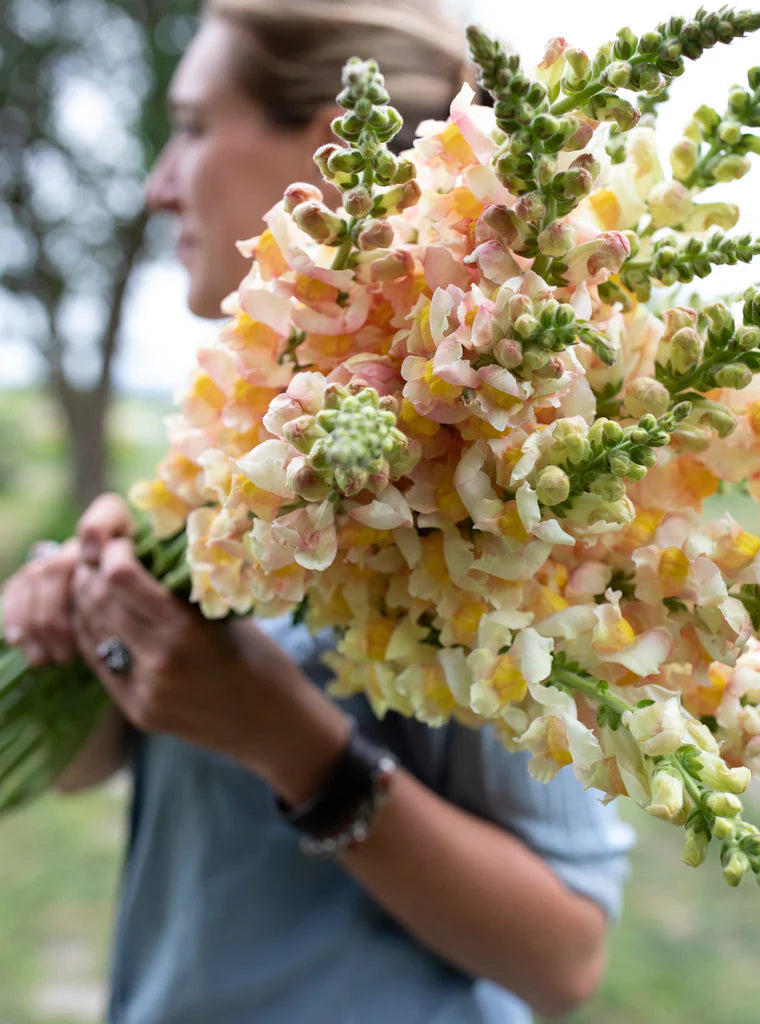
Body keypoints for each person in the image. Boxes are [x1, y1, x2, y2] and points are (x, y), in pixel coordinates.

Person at [1, 2, 633, 1021]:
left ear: (335, 142)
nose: (160, 185)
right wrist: (78, 631)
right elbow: (93, 764)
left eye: (196, 127)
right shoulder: (247, 422)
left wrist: (298, 745)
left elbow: (563, 957)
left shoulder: (493, 473)